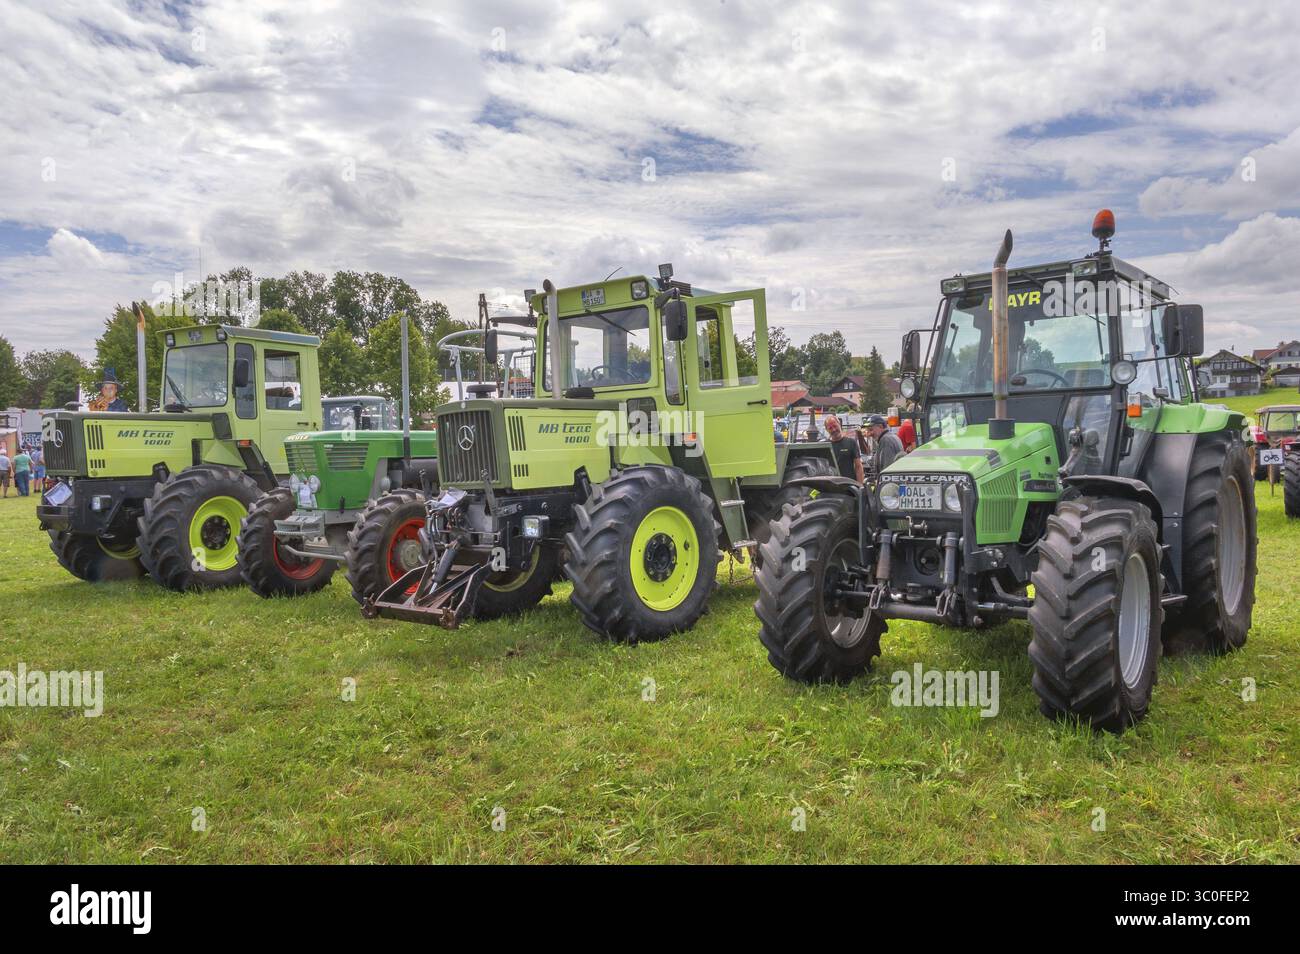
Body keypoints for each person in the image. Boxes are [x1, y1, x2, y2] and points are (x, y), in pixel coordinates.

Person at [823, 415, 864, 484]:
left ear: (839, 425)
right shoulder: (824, 446)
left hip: (849, 486)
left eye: (835, 426)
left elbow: (858, 467)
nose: (834, 430)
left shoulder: (851, 443)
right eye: (830, 428)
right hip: (831, 486)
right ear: (827, 430)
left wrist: (860, 486)